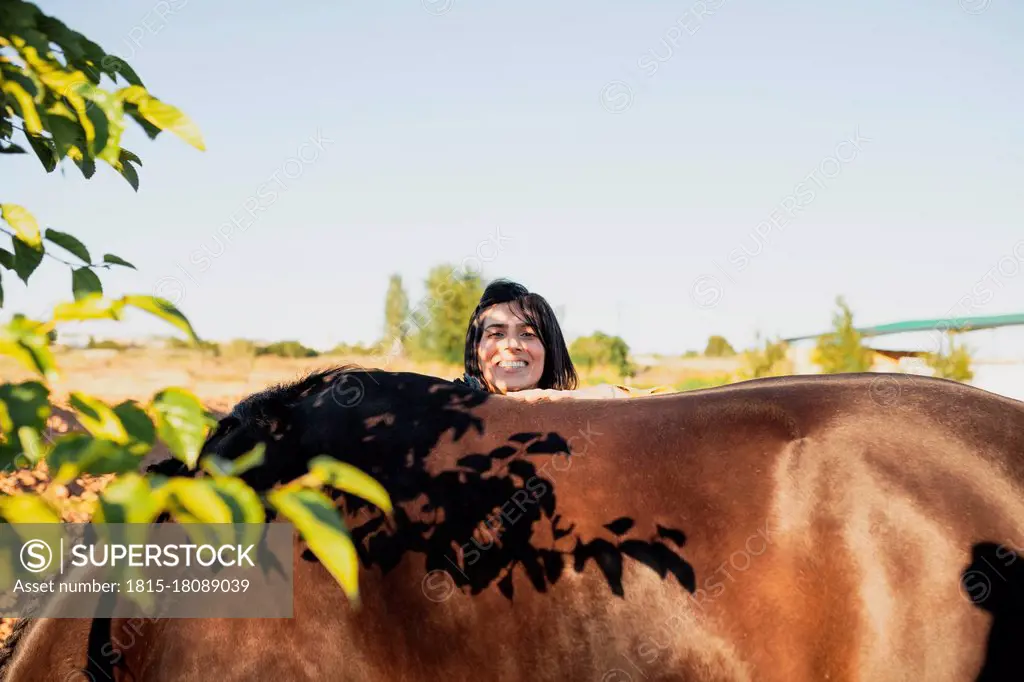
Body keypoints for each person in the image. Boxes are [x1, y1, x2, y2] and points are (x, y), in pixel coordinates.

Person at [456, 279, 673, 401]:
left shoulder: (574, 410)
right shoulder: (449, 412)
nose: (512, 345)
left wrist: (572, 398)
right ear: (476, 349)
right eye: (496, 334)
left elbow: (668, 401)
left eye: (528, 334)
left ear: (550, 348)